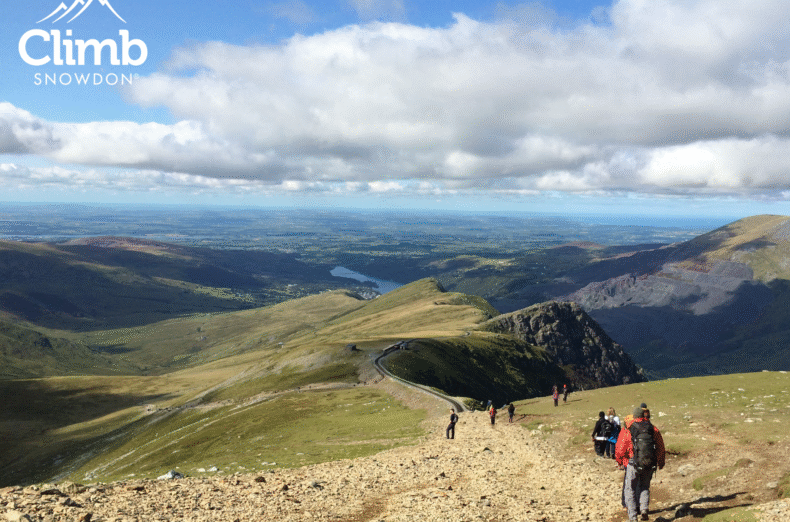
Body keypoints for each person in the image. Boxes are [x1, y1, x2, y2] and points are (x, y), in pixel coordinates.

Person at [616, 406, 666, 522]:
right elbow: (660, 446)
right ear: (644, 416)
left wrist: (619, 460)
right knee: (644, 487)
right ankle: (644, 510)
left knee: (630, 489)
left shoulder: (628, 428)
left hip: (632, 463)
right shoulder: (652, 428)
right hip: (648, 462)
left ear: (633, 416)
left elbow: (620, 447)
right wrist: (661, 461)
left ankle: (633, 517)